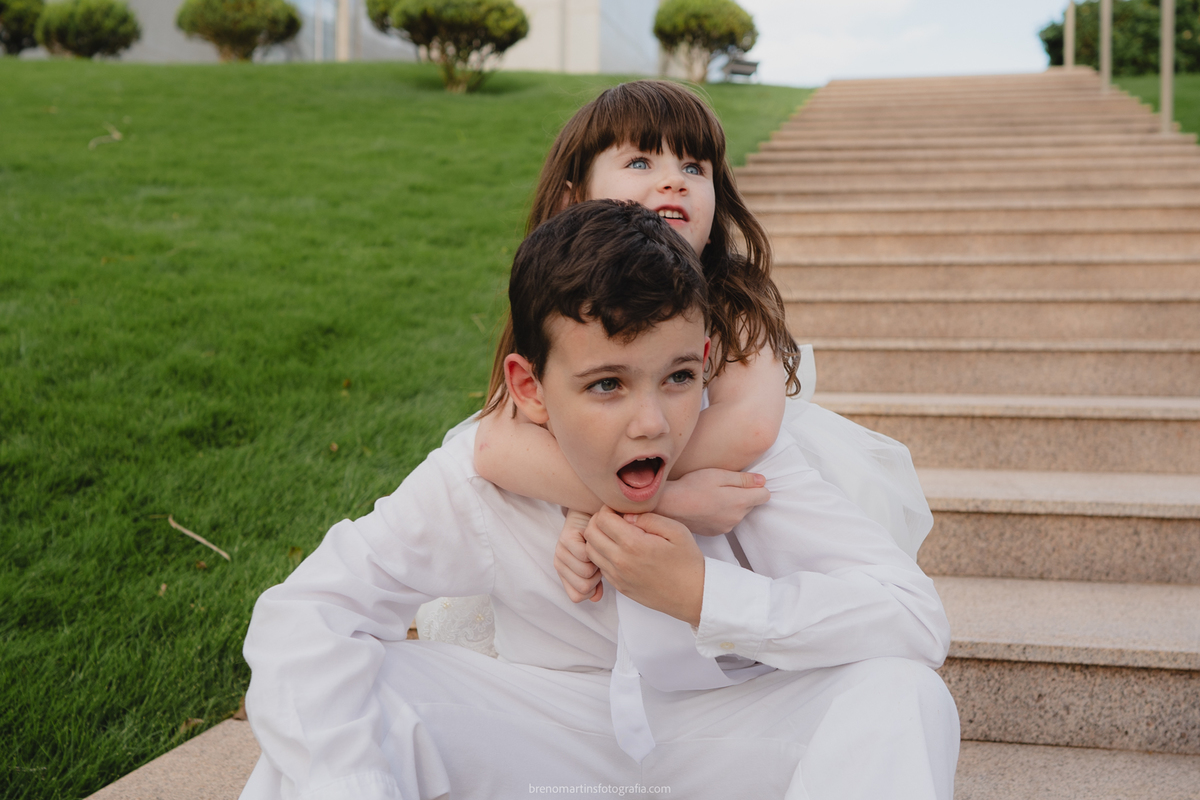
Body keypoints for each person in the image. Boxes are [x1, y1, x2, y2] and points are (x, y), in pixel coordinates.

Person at [241, 201, 958, 800]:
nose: (651, 422)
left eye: (677, 378)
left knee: (901, 694)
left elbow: (914, 619)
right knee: (354, 689)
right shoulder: (480, 476)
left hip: (727, 744)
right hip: (542, 739)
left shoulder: (752, 472)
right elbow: (308, 612)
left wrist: (706, 593)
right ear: (529, 389)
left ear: (706, 361)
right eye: (607, 385)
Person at [470, 82, 932, 611]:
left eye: (694, 168)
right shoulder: (559, 301)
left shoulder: (733, 296)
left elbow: (751, 425)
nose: (673, 181)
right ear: (573, 199)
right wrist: (655, 500)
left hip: (734, 513)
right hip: (653, 485)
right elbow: (493, 446)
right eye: (640, 162)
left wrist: (622, 495)